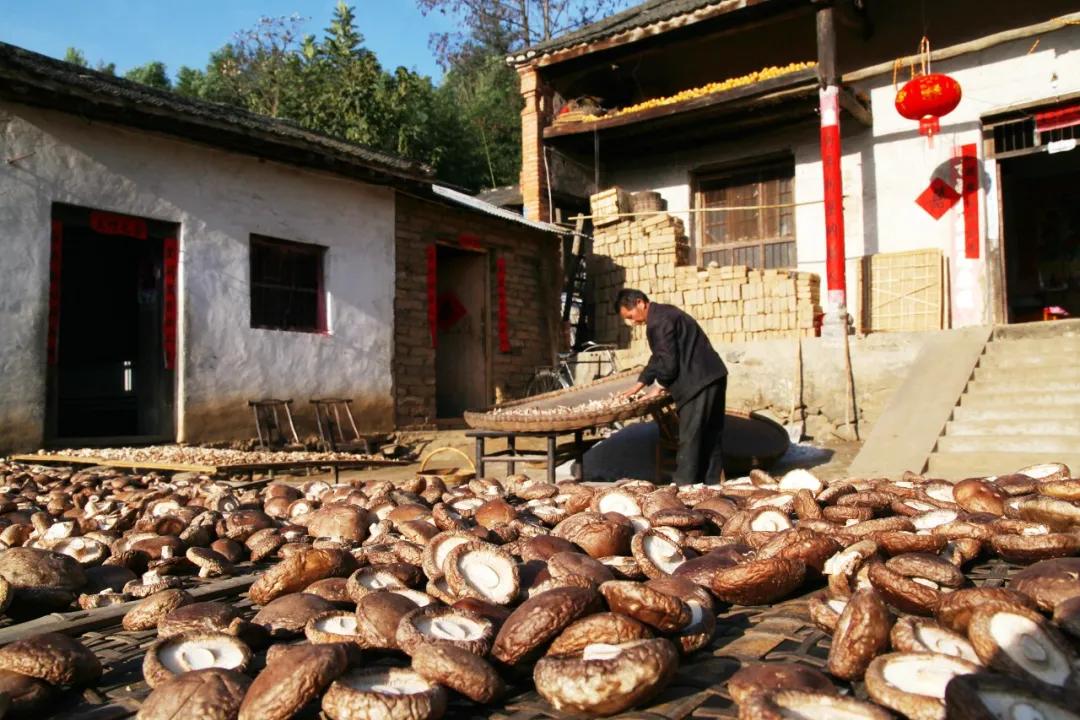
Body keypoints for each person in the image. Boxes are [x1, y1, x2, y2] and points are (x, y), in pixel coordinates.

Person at [615, 289, 728, 485]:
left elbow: (668, 363)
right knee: (710, 436)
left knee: (691, 438)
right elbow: (659, 356)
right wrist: (641, 382)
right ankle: (711, 487)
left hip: (697, 382)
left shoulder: (658, 322)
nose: (633, 322)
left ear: (640, 303)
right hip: (713, 376)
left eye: (631, 316)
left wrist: (658, 385)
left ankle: (685, 489)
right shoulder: (665, 313)